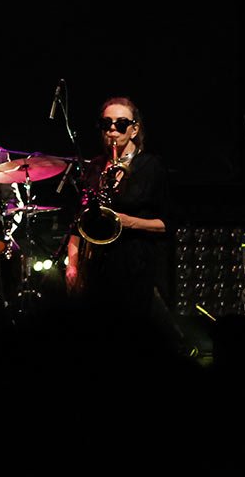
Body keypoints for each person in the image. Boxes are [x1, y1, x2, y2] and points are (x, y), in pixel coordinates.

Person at [64, 97, 171, 323]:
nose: (112, 129)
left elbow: (167, 224)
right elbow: (78, 221)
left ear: (134, 130)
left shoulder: (151, 167)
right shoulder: (95, 166)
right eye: (106, 124)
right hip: (96, 267)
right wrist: (72, 265)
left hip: (134, 266)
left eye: (121, 124)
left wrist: (128, 222)